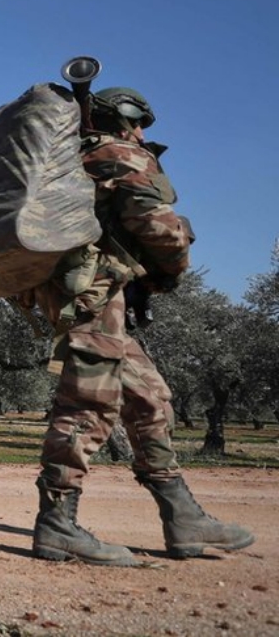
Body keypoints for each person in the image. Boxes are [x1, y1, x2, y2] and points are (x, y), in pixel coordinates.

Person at [28, 87, 254, 565]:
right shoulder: (118, 153)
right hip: (94, 296)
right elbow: (158, 226)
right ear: (123, 118)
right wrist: (172, 268)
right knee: (88, 404)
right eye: (139, 120)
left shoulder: (67, 160)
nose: (144, 132)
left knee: (149, 398)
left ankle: (182, 517)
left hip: (85, 294)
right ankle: (57, 525)